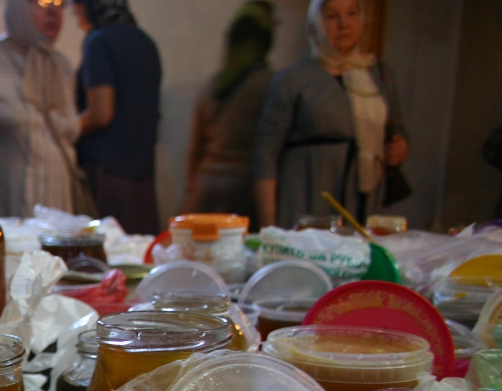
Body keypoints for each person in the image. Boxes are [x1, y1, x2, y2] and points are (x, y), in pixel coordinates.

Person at [252, 0, 408, 229]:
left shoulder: (379, 76)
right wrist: (269, 224)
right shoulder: (292, 80)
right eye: (332, 16)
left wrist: (400, 147)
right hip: (306, 199)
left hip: (363, 204)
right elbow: (265, 153)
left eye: (352, 14)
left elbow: (397, 129)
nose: (344, 24)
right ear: (315, 24)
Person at [0, 0, 78, 218]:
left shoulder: (62, 66)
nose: (53, 11)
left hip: (57, 212)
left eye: (59, 3)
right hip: (4, 211)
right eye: (42, 2)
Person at [181, 1, 274, 228]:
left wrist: (191, 191)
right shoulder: (269, 85)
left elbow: (195, 150)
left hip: (204, 190)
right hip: (243, 192)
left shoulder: (212, 86)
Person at [72, 0, 161, 234]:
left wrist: (63, 129)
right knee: (139, 246)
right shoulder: (146, 42)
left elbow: (101, 114)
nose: (75, 14)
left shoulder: (99, 41)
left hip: (108, 173)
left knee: (110, 247)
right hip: (142, 173)